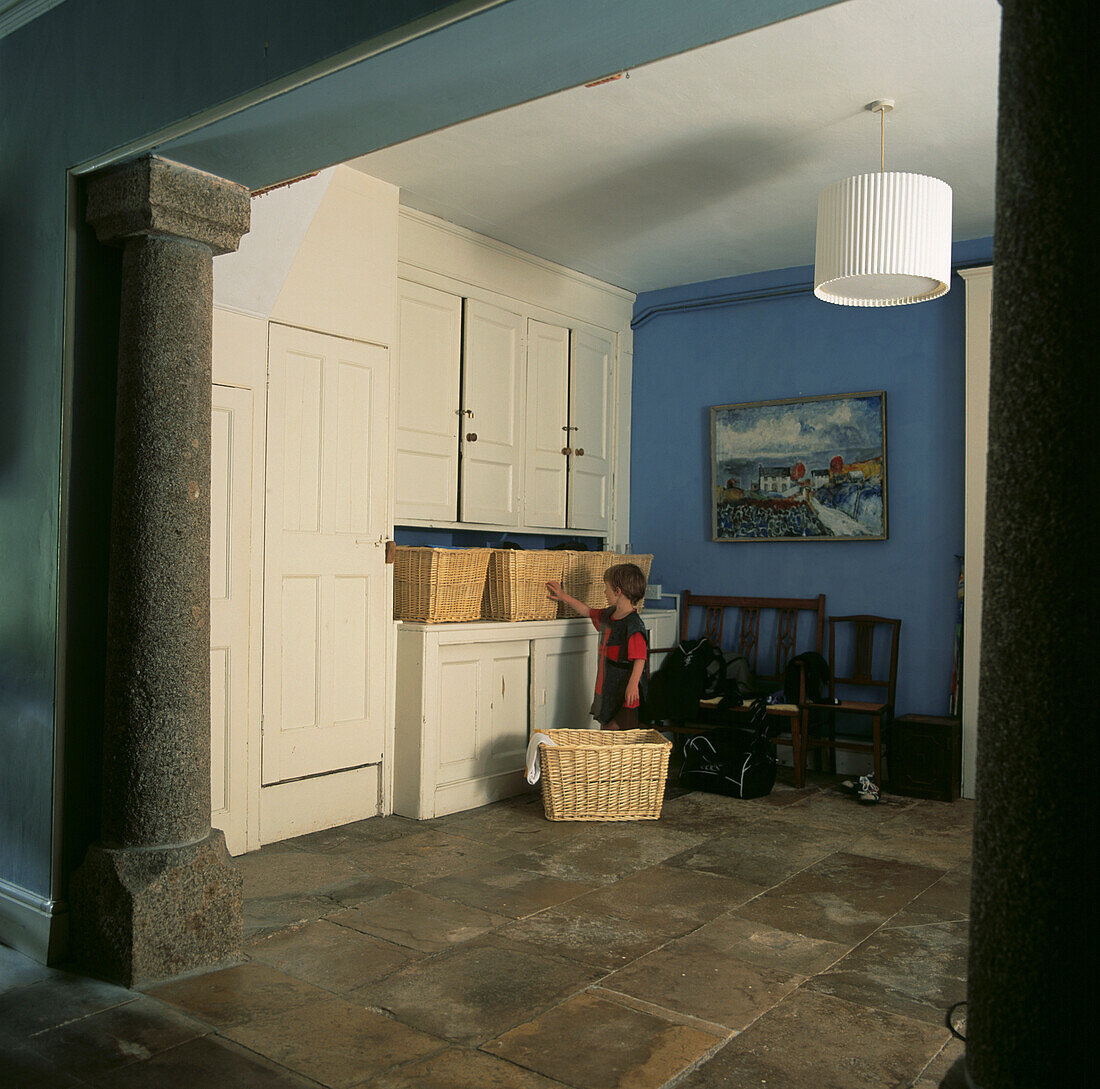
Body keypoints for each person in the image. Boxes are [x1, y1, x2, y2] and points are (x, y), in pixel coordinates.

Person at [546, 563, 649, 730]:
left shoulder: (633, 625)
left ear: (618, 591)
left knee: (619, 736)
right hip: (609, 689)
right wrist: (564, 596)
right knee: (606, 729)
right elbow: (587, 611)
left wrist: (633, 685)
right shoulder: (609, 615)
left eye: (606, 588)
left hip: (626, 694)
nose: (604, 592)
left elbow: (640, 658)